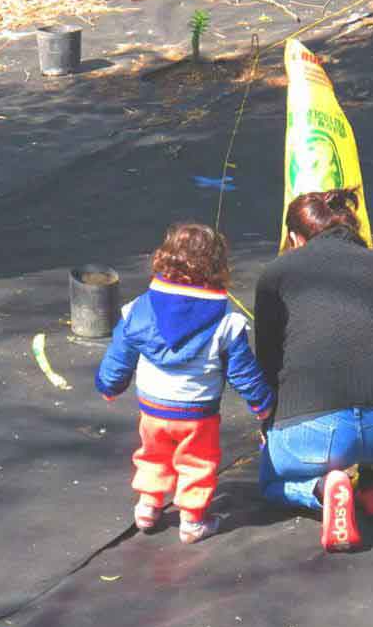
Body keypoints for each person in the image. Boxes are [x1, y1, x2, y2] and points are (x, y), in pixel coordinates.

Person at [255, 189, 373, 552]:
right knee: (371, 386)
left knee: (269, 478)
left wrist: (269, 425)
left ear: (294, 238)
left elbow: (269, 365)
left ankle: (322, 490)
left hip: (319, 429)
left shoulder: (277, 274)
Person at [97, 223, 275, 544]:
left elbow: (119, 355)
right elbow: (243, 372)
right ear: (219, 267)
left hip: (152, 407)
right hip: (197, 414)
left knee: (153, 453)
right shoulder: (225, 322)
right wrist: (262, 403)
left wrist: (110, 385)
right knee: (197, 462)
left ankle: (148, 505)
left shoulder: (139, 308)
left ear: (165, 259)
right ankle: (192, 520)